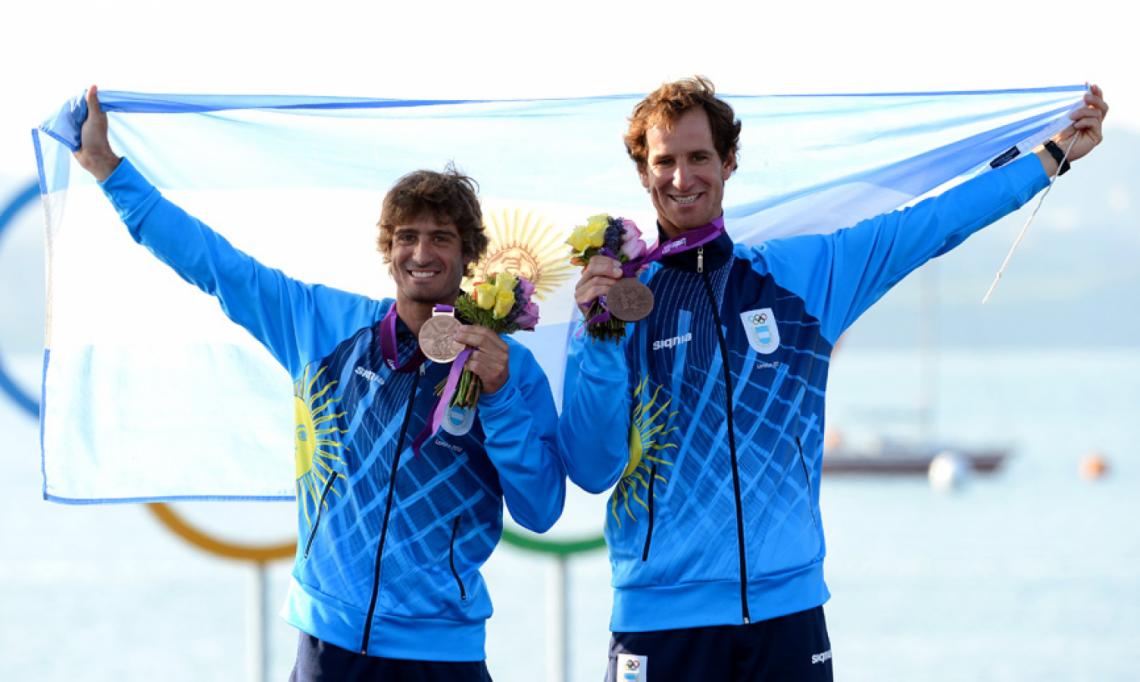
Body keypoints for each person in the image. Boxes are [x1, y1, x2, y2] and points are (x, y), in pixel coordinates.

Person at [560, 76, 1107, 681]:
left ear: (729, 162)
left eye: (699, 157)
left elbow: (931, 224)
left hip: (788, 616)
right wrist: (600, 339)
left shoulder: (803, 278)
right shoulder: (613, 305)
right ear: (643, 171)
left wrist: (1051, 159)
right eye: (665, 161)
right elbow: (591, 468)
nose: (682, 177)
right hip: (661, 622)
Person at [73, 85, 566, 681]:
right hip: (328, 645)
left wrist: (500, 397)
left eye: (441, 238)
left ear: (468, 256)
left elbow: (541, 510)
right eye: (407, 236)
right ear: (388, 250)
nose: (422, 252)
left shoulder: (507, 365)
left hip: (444, 653)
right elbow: (215, 265)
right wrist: (108, 170)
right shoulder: (321, 325)